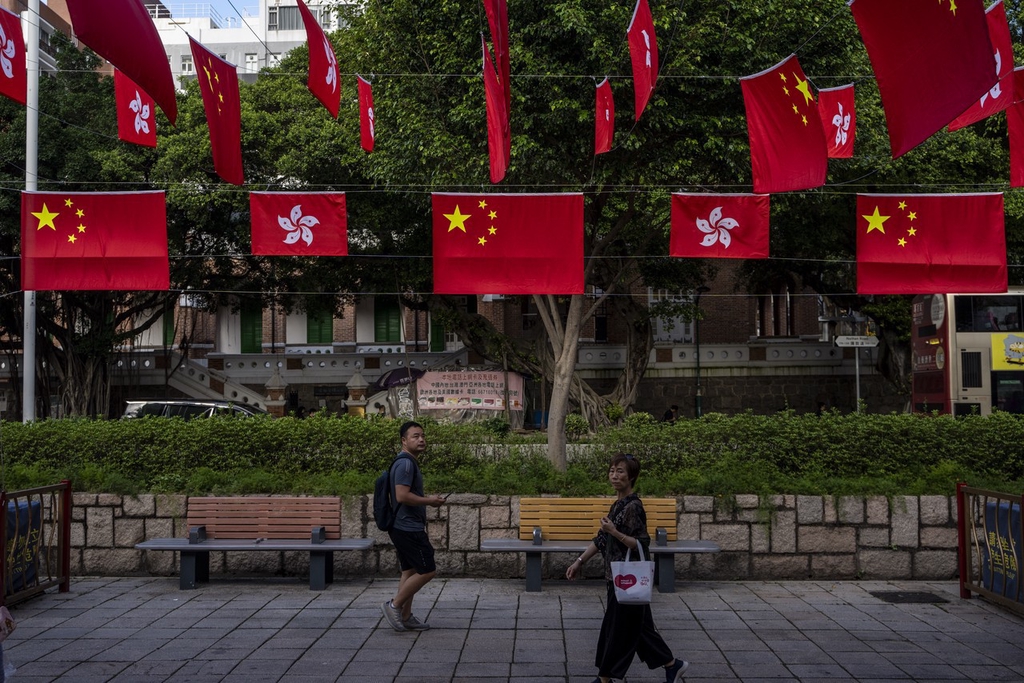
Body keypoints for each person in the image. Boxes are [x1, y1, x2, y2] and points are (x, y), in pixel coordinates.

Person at [566, 454, 688, 683]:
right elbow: (601, 539)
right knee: (640, 629)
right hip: (618, 576)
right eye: (612, 470)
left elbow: (640, 543)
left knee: (617, 629)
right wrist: (579, 561)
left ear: (631, 476)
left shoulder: (633, 507)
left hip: (627, 578)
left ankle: (604, 679)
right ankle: (673, 665)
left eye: (620, 471)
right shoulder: (618, 505)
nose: (614, 475)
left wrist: (615, 532)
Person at [381, 421, 446, 632]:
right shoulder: (406, 464)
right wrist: (430, 501)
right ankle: (394, 605)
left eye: (423, 436)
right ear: (404, 440)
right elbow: (402, 495)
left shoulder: (406, 462)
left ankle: (406, 616)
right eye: (415, 436)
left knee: (409, 571)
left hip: (402, 526)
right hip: (408, 528)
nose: (421, 439)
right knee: (427, 570)